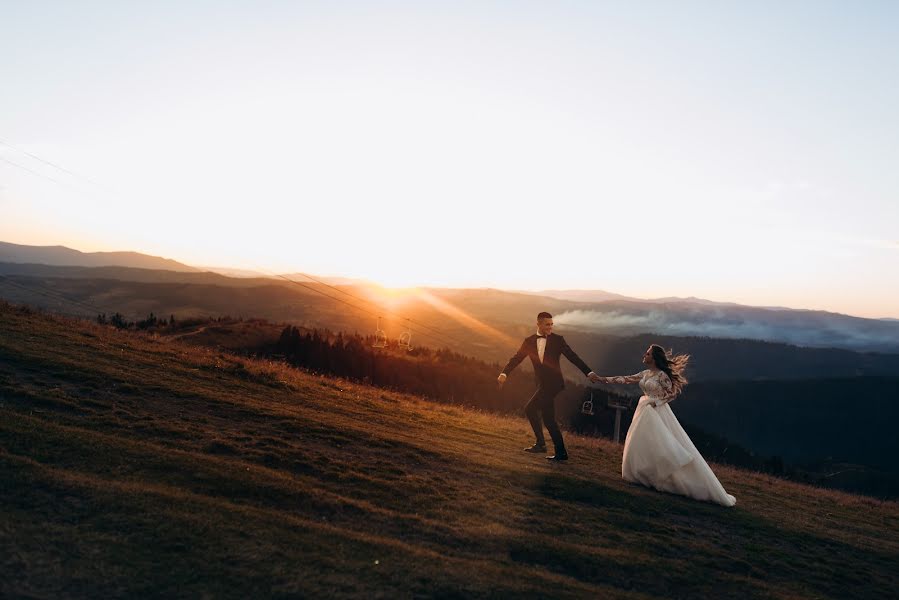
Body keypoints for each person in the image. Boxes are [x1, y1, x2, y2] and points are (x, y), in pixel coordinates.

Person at [596, 345, 736, 506]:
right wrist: (602, 379)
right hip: (644, 409)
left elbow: (672, 393)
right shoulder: (645, 373)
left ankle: (662, 476)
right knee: (643, 442)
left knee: (662, 444)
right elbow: (625, 379)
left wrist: (657, 402)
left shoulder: (662, 375)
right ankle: (644, 474)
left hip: (656, 411)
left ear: (654, 358)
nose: (644, 355)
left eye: (647, 353)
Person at [498, 312, 600, 461]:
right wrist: (504, 373)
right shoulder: (529, 341)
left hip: (554, 384)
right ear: (538, 324)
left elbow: (573, 357)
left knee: (530, 409)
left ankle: (541, 444)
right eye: (547, 324)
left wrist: (588, 372)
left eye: (552, 324)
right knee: (548, 419)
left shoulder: (558, 340)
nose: (550, 327)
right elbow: (517, 358)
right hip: (541, 384)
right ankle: (560, 453)